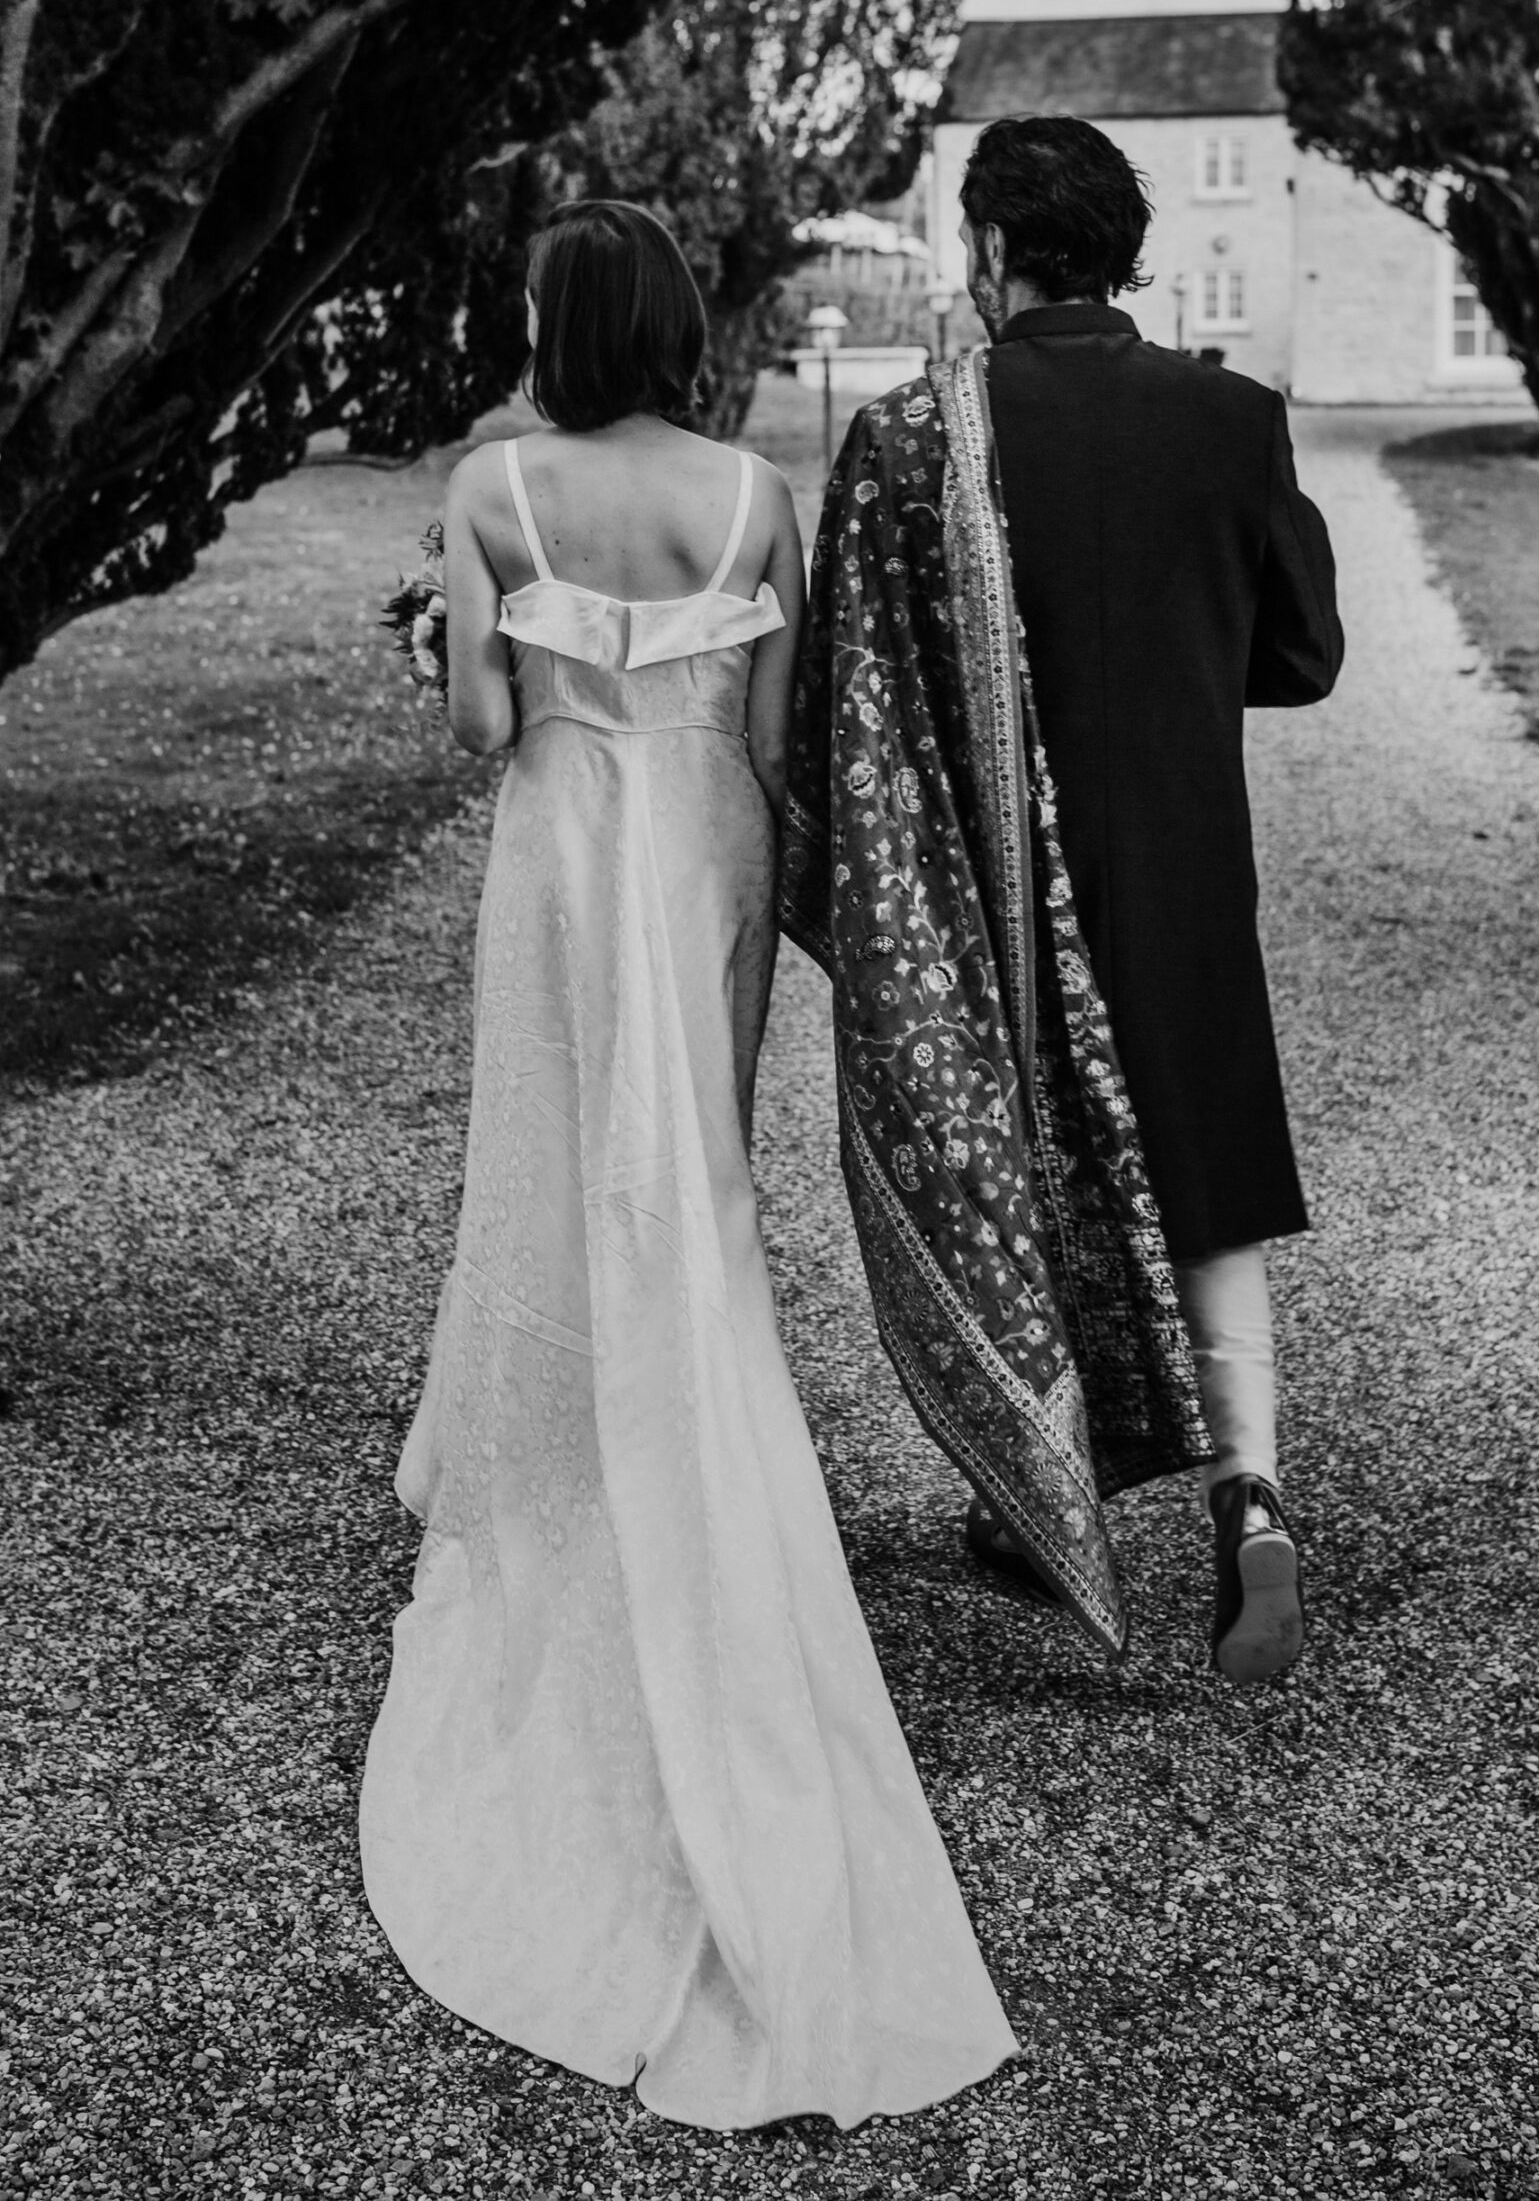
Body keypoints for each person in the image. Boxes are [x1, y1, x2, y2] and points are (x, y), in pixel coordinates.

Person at [360, 200, 1016, 2130]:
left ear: (561, 323)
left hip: (564, 839)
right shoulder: (756, 495)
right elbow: (772, 727)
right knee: (691, 1176)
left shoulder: (495, 485)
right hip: (704, 838)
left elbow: (485, 722)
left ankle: (564, 1449)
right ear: (682, 325)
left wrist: (457, 639)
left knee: (558, 1150)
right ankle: (686, 1388)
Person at [782, 118, 1341, 1682]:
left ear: (990, 254)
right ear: (1126, 253)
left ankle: (1040, 1494)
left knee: (1016, 1171)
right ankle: (1251, 1504)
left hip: (976, 893)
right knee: (1205, 1185)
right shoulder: (1234, 418)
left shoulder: (906, 439)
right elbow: (1303, 658)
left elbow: (852, 707)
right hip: (1176, 863)